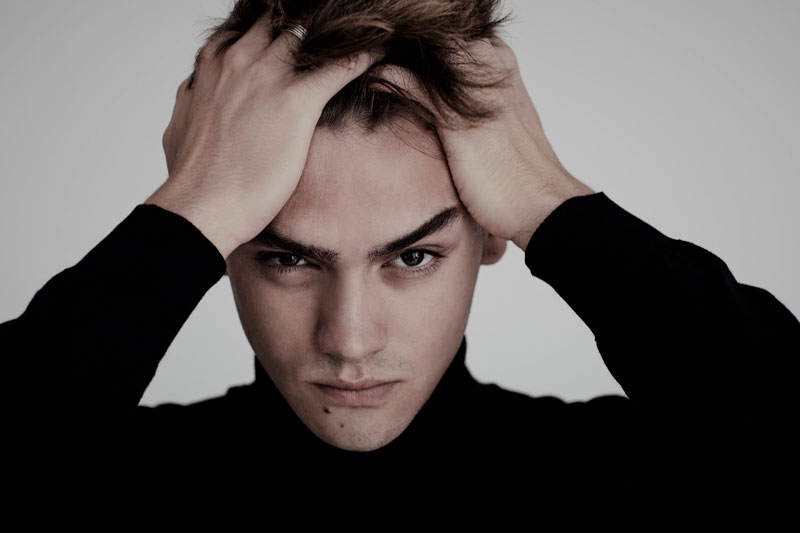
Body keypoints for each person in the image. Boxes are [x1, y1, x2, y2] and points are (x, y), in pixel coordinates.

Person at [2, 0, 797, 506]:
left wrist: (552, 203)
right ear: (224, 246)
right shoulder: (104, 480)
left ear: (492, 229)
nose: (349, 340)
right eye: (290, 259)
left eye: (411, 257)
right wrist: (190, 212)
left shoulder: (625, 476)